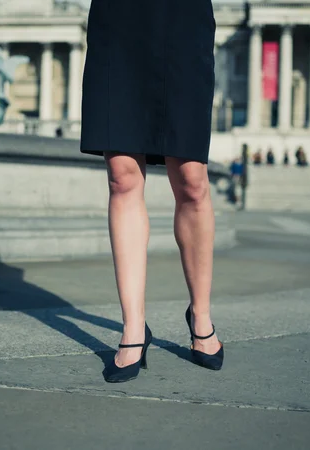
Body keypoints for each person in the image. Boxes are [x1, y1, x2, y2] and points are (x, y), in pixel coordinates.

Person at [80, 0, 223, 383]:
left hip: (182, 16)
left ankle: (201, 313)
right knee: (122, 176)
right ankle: (133, 326)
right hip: (121, 17)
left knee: (192, 179)